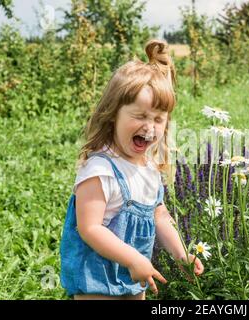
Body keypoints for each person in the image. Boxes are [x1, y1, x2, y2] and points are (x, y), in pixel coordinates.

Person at [59, 39, 204, 300]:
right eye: (139, 116)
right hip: (97, 280)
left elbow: (159, 216)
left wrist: (181, 253)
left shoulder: (149, 168)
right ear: (114, 113)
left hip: (135, 278)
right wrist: (133, 259)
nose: (150, 127)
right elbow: (89, 228)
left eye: (158, 119)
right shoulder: (100, 170)